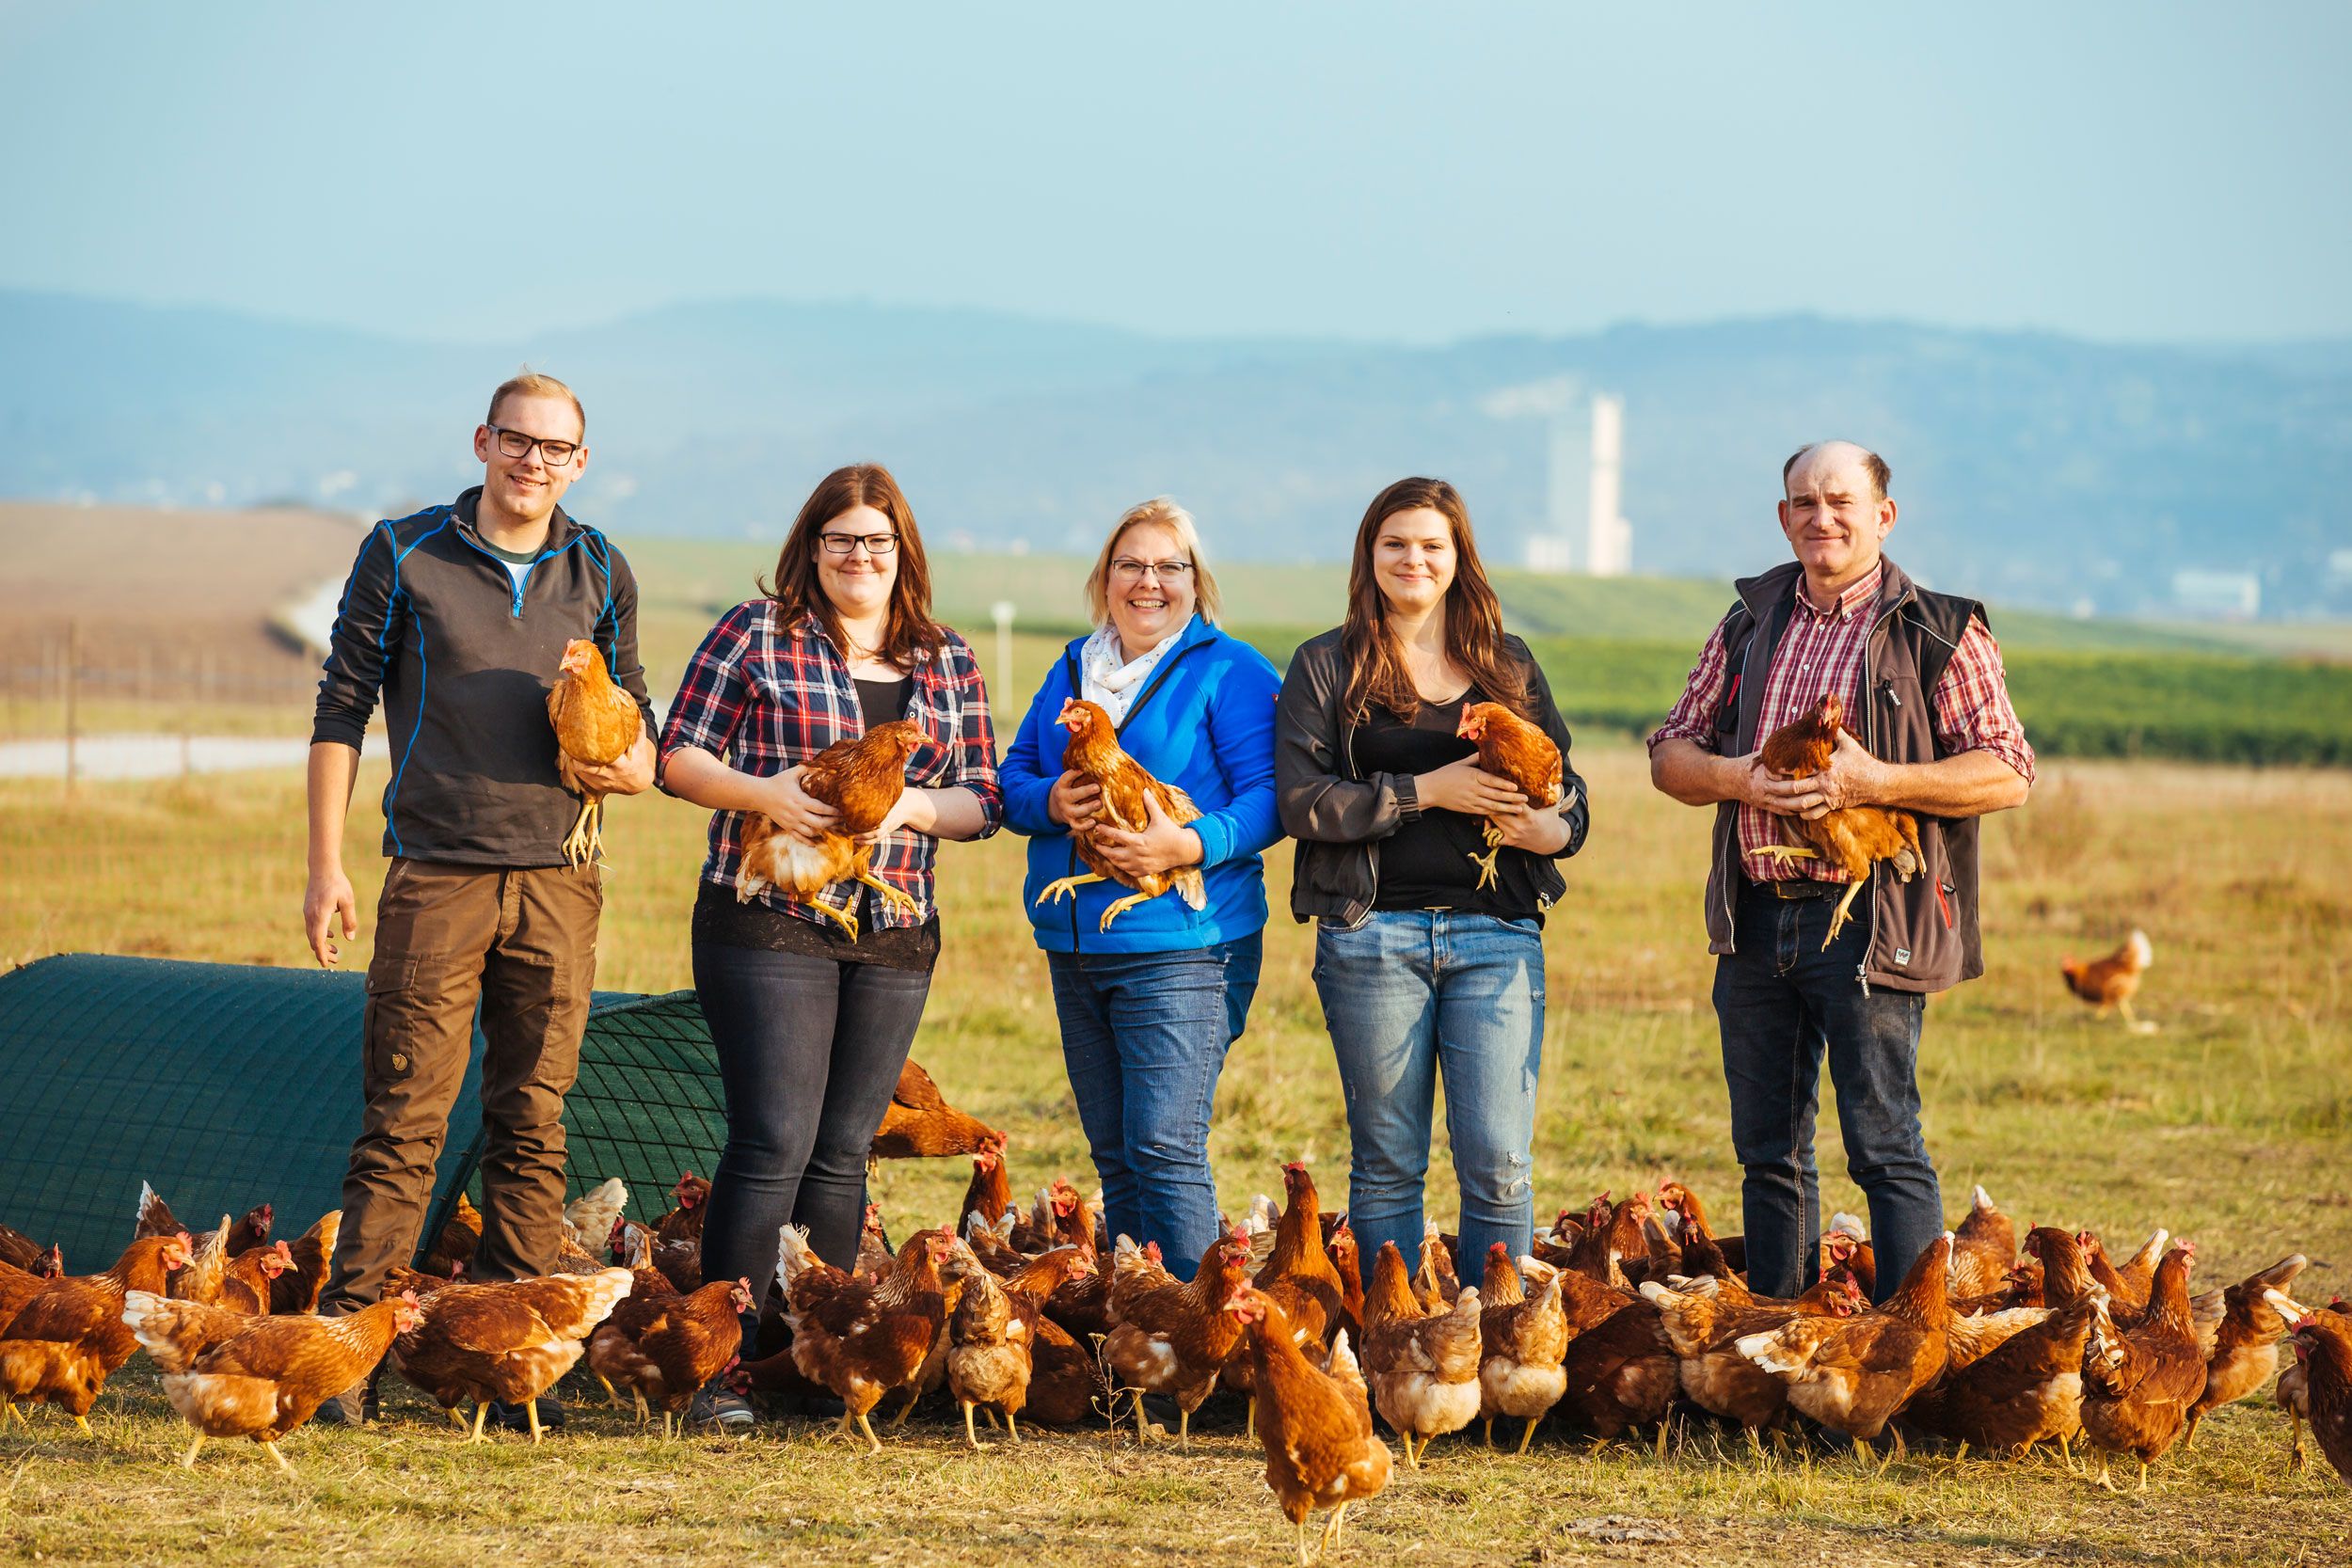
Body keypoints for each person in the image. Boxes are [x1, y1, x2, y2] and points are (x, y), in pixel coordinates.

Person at [304, 372, 656, 1429]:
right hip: (436, 873)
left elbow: (640, 723)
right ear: (482, 442)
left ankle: (509, 1364)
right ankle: (342, 1352)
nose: (533, 461)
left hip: (560, 879)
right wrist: (325, 864)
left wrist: (630, 765)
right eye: (517, 440)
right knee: (406, 1114)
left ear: (579, 462)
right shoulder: (406, 549)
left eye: (555, 447)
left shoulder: (599, 565)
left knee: (533, 1119)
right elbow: (341, 705)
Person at [1646, 440, 2034, 1302]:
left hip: (1871, 916)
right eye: (1804, 502)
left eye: (1842, 501)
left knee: (1883, 1142)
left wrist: (1877, 780)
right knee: (1769, 1150)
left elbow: (2008, 769)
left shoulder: (1938, 628)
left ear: (1883, 516)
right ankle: (1784, 1347)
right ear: (1783, 518)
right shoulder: (1748, 624)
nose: (1822, 516)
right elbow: (1671, 750)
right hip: (1755, 914)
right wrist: (1736, 775)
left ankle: (1904, 1353)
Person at [659, 462, 1000, 1423]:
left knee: (845, 1150)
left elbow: (988, 797)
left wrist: (915, 809)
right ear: (812, 547)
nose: (859, 555)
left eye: (877, 541)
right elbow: (675, 750)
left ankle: (811, 1362)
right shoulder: (755, 631)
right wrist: (764, 792)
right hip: (768, 913)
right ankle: (720, 1369)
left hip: (893, 926)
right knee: (773, 1139)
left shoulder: (946, 657)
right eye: (840, 538)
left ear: (903, 555)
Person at [1274, 477, 1588, 1288]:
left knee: (1500, 1160)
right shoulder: (1326, 665)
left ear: (1458, 559)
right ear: (1370, 555)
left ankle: (1496, 1348)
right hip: (1373, 933)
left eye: (1431, 545)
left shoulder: (1507, 664)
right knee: (1386, 1163)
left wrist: (1550, 829)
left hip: (1498, 931)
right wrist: (1426, 791)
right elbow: (1303, 803)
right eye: (1396, 544)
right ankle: (1394, 1342)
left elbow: (1569, 792)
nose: (1414, 559)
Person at [998, 499, 1281, 1278]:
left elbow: (1272, 797)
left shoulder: (1231, 670)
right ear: (1106, 578)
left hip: (1184, 942)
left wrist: (1187, 841)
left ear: (1197, 582)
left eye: (1169, 567)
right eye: (1131, 564)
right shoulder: (1071, 669)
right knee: (1117, 1153)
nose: (1148, 581)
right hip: (1078, 941)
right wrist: (1049, 802)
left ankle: (1200, 1334)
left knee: (1164, 1142)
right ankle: (1138, 1330)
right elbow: (1013, 777)